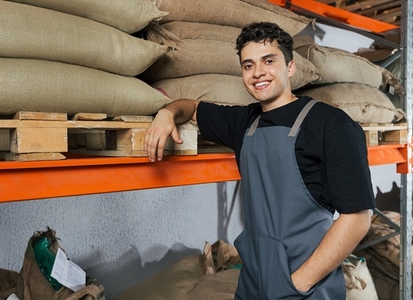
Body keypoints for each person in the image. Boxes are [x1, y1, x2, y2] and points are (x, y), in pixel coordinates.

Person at [144, 22, 375, 299]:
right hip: (253, 280)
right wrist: (167, 113)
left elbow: (358, 218)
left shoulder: (331, 124)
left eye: (269, 61)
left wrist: (298, 283)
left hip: (304, 284)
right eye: (248, 65)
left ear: (290, 67)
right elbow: (191, 107)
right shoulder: (244, 121)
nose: (258, 73)